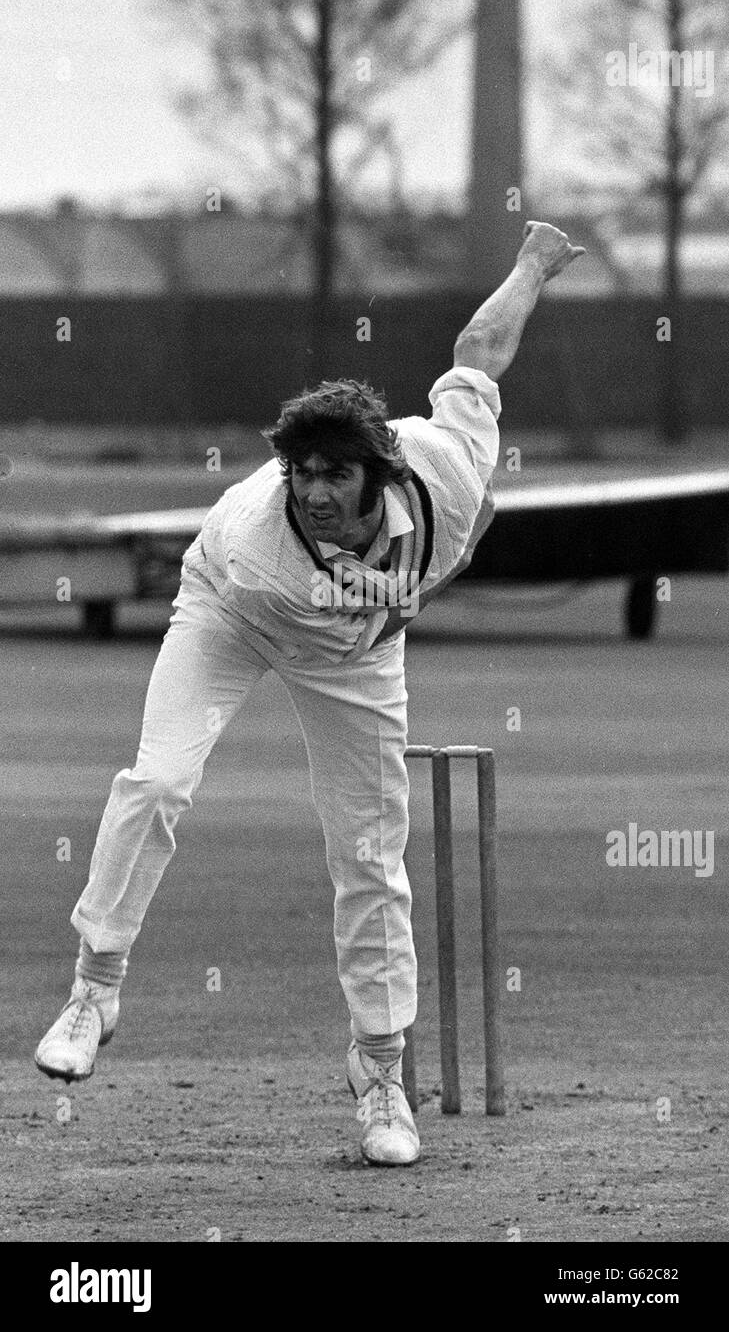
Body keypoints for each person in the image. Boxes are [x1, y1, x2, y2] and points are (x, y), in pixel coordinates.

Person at [35, 222, 585, 1165]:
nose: (314, 491)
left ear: (381, 471)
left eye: (334, 474)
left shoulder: (446, 463)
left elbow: (477, 355)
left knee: (370, 855)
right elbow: (372, 601)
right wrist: (420, 583)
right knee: (160, 782)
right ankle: (95, 985)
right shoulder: (262, 543)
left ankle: (380, 1076)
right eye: (301, 473)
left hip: (354, 658)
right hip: (229, 612)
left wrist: (531, 264)